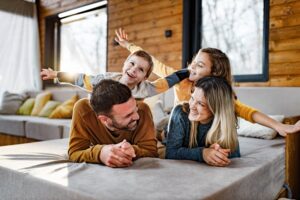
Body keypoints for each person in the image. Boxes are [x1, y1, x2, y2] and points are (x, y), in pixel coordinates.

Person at [115, 28, 300, 136]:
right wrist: (129, 46)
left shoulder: (217, 92)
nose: (193, 66)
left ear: (214, 73)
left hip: (199, 129)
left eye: (200, 65)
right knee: (156, 124)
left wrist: (279, 126)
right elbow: (155, 64)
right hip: (176, 124)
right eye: (194, 61)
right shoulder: (181, 78)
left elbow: (246, 111)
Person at [68, 79, 158, 167]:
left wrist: (133, 150)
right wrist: (100, 153)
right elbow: (75, 153)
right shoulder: (83, 110)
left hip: (154, 132)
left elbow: (151, 151)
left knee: (162, 132)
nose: (137, 116)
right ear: (104, 119)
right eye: (128, 115)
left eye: (135, 109)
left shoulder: (143, 110)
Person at [41, 50, 189, 100]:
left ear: (144, 78)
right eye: (131, 64)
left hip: (126, 124)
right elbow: (80, 79)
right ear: (124, 65)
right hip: (104, 116)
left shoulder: (145, 89)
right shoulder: (106, 79)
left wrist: (186, 73)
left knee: (143, 112)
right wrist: (56, 74)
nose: (134, 69)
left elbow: (165, 82)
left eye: (141, 69)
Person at [166, 77, 239, 167]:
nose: (192, 106)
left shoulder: (226, 121)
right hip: (167, 131)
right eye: (192, 98)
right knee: (162, 127)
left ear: (216, 109)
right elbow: (170, 153)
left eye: (201, 103)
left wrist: (217, 152)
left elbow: (235, 154)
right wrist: (203, 153)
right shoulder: (181, 113)